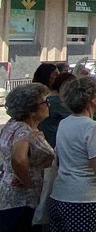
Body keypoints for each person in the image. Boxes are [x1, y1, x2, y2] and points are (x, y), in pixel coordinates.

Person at [49, 76, 96, 232]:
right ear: (90, 99)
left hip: (59, 194)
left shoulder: (64, 123)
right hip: (83, 199)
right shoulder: (92, 127)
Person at [0, 83, 54, 231]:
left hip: (9, 196)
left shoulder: (12, 125)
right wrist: (28, 184)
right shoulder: (24, 131)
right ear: (31, 111)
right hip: (22, 201)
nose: (48, 104)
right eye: (45, 102)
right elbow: (18, 159)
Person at [39, 72, 74, 148]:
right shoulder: (58, 102)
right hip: (54, 142)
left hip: (47, 140)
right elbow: (76, 118)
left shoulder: (49, 98)